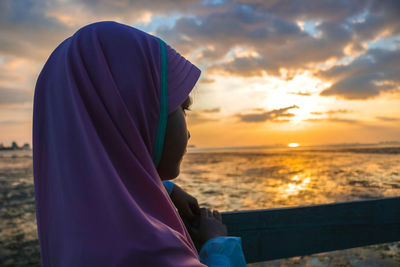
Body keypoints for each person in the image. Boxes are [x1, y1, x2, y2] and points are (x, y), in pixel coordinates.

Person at [32, 21, 246, 266]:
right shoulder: (149, 251)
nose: (188, 135)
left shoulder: (73, 219)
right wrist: (217, 247)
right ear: (135, 114)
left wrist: (166, 189)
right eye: (183, 108)